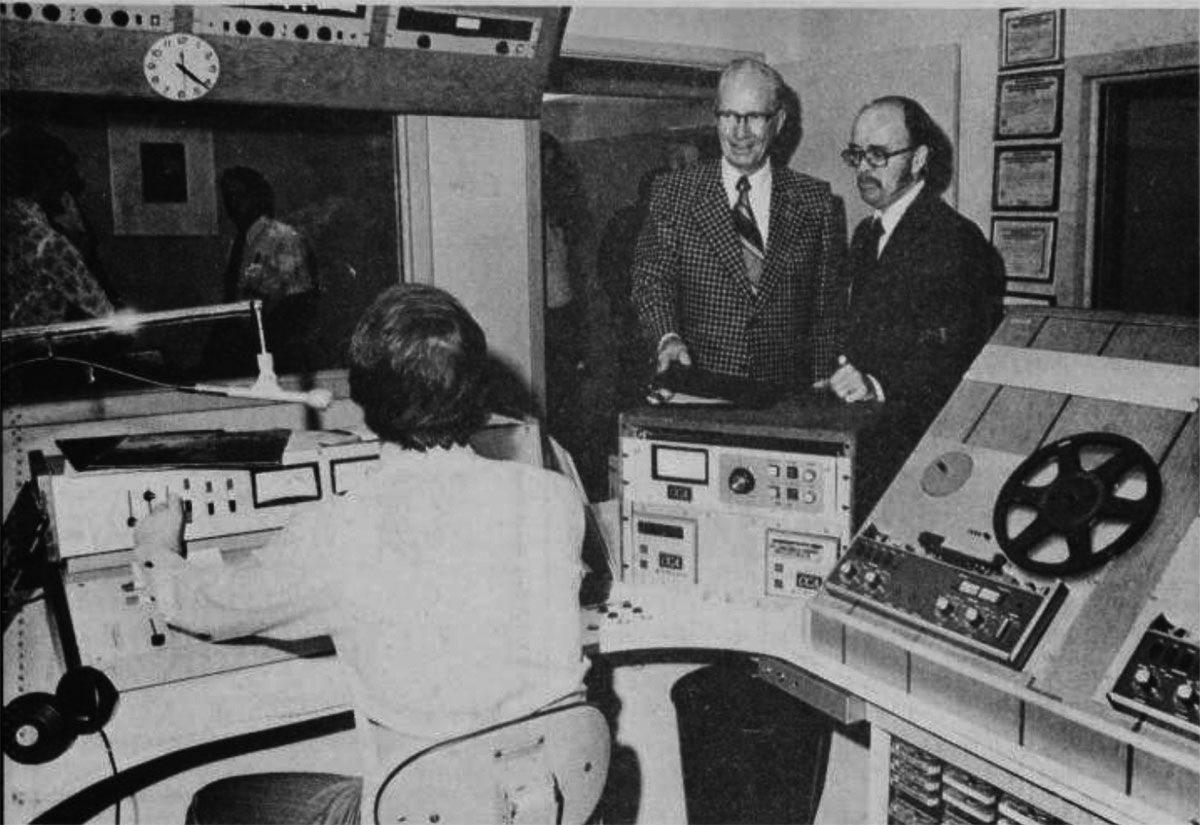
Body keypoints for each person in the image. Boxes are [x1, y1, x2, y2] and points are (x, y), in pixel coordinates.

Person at [133, 283, 590, 824]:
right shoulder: (553, 497)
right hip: (546, 803)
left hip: (426, 812)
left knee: (216, 806)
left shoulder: (339, 527)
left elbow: (202, 608)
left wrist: (156, 544)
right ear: (476, 391)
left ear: (365, 399)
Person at [820, 95, 1004, 520]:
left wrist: (878, 385)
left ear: (919, 158)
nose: (865, 168)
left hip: (916, 456)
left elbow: (961, 359)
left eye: (879, 154)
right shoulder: (868, 233)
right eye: (858, 154)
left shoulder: (956, 241)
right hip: (864, 443)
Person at [631, 57, 847, 392]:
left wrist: (820, 384)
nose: (739, 131)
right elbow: (652, 280)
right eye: (729, 115)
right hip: (701, 387)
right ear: (716, 117)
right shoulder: (674, 194)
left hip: (786, 397)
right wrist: (667, 338)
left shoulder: (815, 201)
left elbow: (826, 308)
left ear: (778, 121)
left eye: (754, 117)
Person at [0, 125, 116, 328]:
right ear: (43, 179)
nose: (67, 190)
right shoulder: (47, 243)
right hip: (49, 353)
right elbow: (104, 319)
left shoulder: (13, 230)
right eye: (63, 176)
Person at [218, 166, 319, 373]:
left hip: (275, 353)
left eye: (241, 195)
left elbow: (300, 305)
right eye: (228, 197)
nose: (234, 203)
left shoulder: (284, 239)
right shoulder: (238, 243)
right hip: (241, 351)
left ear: (258, 197)